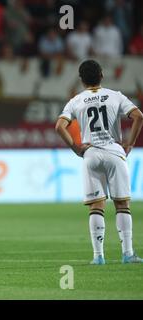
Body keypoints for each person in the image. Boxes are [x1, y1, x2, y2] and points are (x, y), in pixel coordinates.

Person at [55, 60, 143, 265]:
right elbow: (139, 116)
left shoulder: (76, 100)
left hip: (91, 154)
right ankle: (128, 254)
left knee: (96, 206)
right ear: (102, 75)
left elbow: (59, 126)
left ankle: (98, 257)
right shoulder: (116, 96)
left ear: (81, 79)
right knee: (122, 204)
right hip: (114, 152)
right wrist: (129, 144)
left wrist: (76, 148)